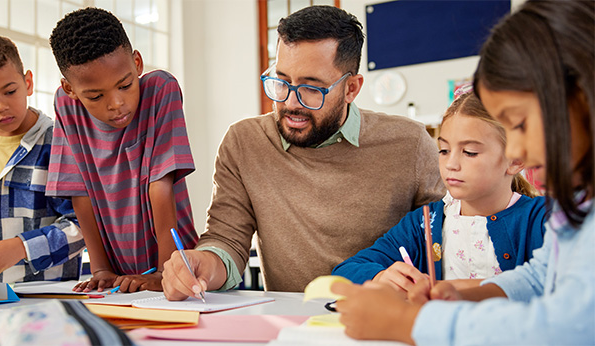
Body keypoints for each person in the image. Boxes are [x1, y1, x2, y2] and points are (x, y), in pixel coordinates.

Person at [332, 1, 595, 344]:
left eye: (520, 123)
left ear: (582, 96)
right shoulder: (574, 201)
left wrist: (411, 323)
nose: (516, 152)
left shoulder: (539, 214)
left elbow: (571, 327)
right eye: (443, 149)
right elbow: (540, 277)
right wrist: (459, 294)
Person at [161, 5, 445, 299]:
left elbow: (448, 239)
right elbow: (227, 240)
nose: (290, 103)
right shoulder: (244, 142)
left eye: (312, 88)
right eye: (282, 81)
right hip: (291, 325)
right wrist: (203, 263)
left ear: (351, 89)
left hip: (385, 317)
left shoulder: (410, 144)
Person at [332, 90, 548, 294]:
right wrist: (379, 276)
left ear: (516, 160)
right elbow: (345, 271)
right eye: (444, 150)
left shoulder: (545, 219)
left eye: (470, 152)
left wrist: (459, 288)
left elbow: (557, 284)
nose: (451, 164)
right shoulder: (425, 223)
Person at [46, 8, 198, 293]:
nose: (116, 103)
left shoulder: (160, 90)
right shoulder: (67, 107)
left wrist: (166, 270)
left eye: (125, 85)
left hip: (180, 267)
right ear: (70, 89)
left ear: (137, 63)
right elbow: (80, 192)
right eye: (95, 96)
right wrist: (101, 268)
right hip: (119, 279)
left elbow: (160, 185)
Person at [0, 33, 84, 283]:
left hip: (35, 297)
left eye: (10, 91)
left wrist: (22, 247)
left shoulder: (59, 142)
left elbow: (83, 227)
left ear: (28, 82)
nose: (0, 106)